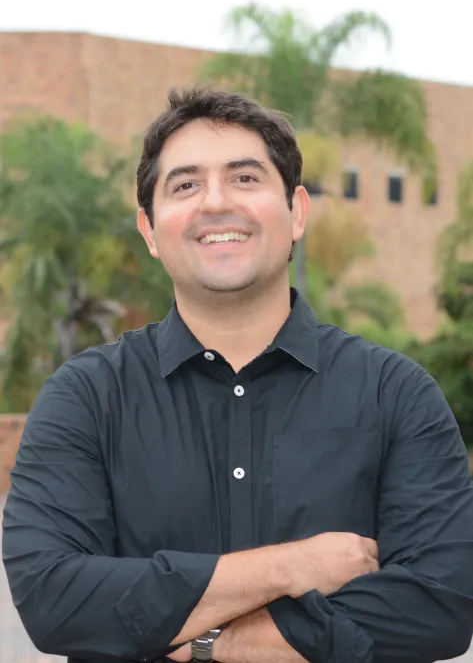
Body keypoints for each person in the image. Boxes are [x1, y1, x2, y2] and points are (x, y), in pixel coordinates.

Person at [3, 87, 473, 663]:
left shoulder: (395, 394)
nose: (216, 202)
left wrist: (207, 643)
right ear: (149, 230)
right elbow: (54, 598)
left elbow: (440, 605)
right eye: (185, 185)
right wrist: (290, 567)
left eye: (245, 178)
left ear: (297, 212)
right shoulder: (86, 397)